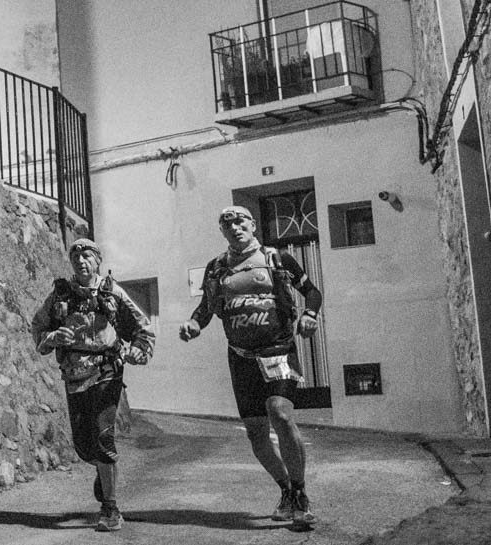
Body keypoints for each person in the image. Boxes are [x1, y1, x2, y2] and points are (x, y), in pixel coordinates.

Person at [180, 205, 323, 528]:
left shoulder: (277, 259)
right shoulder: (216, 268)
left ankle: (301, 493)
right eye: (227, 223)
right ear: (222, 231)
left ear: (253, 225)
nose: (234, 227)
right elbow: (206, 308)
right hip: (241, 357)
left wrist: (310, 315)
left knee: (280, 414)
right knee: (257, 434)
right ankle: (286, 490)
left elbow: (312, 293)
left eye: (240, 221)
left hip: (278, 351)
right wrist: (194, 324)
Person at [31, 238, 155, 533]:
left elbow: (142, 326)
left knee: (102, 438)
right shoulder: (60, 295)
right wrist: (52, 338)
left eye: (87, 256)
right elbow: (38, 327)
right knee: (84, 446)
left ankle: (110, 509)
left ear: (97, 261)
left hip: (107, 370)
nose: (81, 261)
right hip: (74, 373)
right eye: (76, 257)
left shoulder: (112, 292)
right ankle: (103, 469)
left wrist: (140, 351)